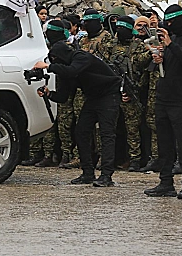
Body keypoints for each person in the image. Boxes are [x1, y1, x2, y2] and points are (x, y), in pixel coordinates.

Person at [34, 39, 122, 187]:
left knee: (107, 134)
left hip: (109, 95)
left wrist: (49, 67)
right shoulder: (65, 69)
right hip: (93, 98)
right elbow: (63, 97)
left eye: (55, 58)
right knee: (81, 132)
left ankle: (106, 175)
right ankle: (87, 173)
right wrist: (49, 94)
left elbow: (73, 70)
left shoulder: (80, 57)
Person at [144, 5, 182, 200]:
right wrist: (160, 59)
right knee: (164, 143)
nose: (168, 26)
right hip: (164, 96)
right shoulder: (174, 37)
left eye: (171, 22)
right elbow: (173, 63)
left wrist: (171, 45)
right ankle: (165, 182)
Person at [110, 15, 152, 171]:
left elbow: (141, 67)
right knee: (111, 128)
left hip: (131, 91)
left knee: (133, 129)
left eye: (123, 28)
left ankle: (135, 159)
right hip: (113, 92)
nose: (120, 31)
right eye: (118, 28)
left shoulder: (138, 46)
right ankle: (111, 158)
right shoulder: (111, 45)